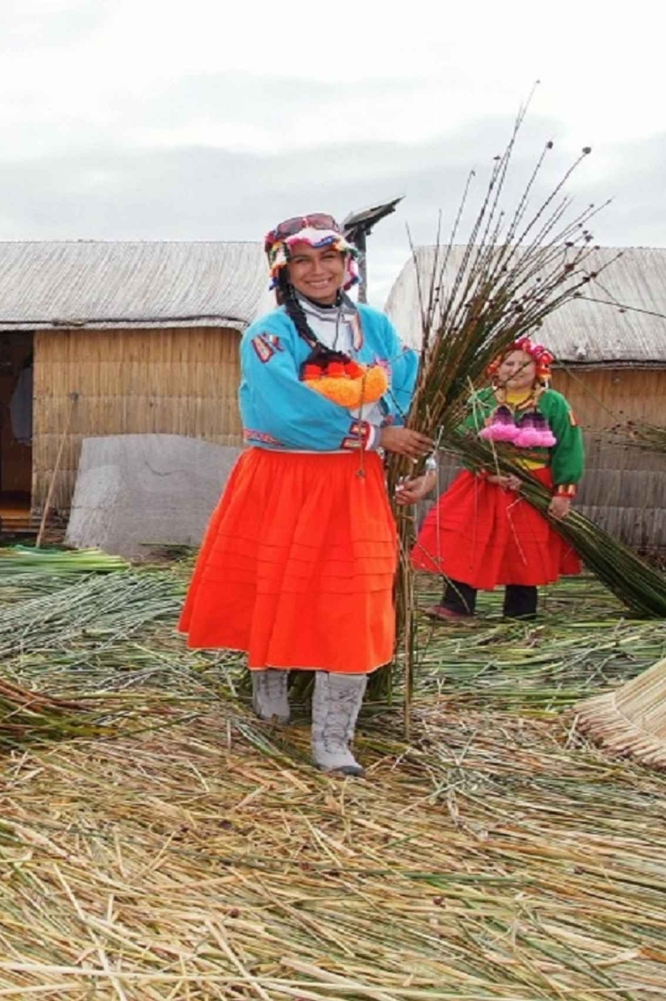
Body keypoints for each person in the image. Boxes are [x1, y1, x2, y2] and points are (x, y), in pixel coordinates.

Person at [178, 213, 429, 776]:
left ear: (346, 263)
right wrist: (373, 437)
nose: (318, 271)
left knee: (354, 602)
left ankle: (334, 738)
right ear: (284, 271)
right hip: (283, 479)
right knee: (276, 586)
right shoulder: (268, 335)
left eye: (329, 257)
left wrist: (421, 464)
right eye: (303, 261)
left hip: (356, 485)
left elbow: (405, 402)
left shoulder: (376, 329)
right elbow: (282, 411)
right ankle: (268, 681)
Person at [402, 338, 583, 620]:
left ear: (538, 368)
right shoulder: (482, 400)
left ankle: (520, 613)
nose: (516, 369)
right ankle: (456, 605)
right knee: (467, 539)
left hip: (531, 488)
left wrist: (563, 493)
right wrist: (488, 471)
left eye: (524, 364)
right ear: (497, 368)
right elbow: (463, 439)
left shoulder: (554, 403)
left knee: (524, 546)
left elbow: (569, 448)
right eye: (509, 363)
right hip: (484, 483)